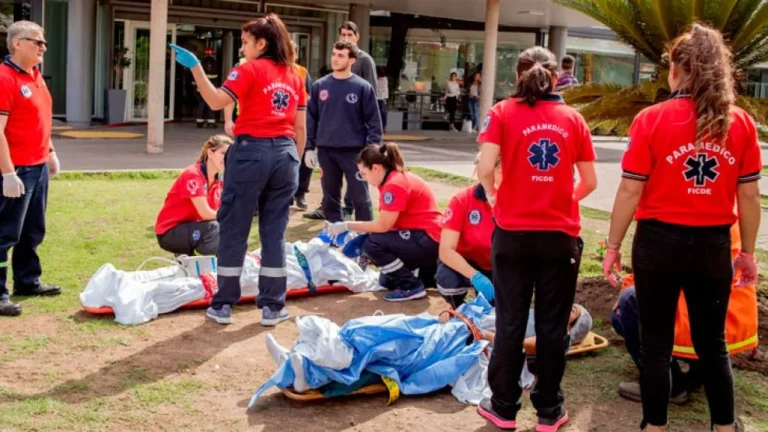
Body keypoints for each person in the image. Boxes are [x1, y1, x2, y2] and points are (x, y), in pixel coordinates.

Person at [601, 24, 761, 432]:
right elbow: (748, 198)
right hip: (713, 245)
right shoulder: (740, 123)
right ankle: (724, 427)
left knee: (655, 346)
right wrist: (747, 252)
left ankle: (655, 427)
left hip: (657, 243)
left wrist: (613, 245)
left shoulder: (651, 119)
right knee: (714, 346)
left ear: (677, 68)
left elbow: (628, 191)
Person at [476, 46, 597, 431]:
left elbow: (483, 166)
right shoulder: (573, 119)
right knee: (551, 323)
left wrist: (496, 196)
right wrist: (561, 198)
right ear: (557, 77)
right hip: (560, 238)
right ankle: (549, 410)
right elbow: (590, 182)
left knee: (510, 320)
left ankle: (504, 407)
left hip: (512, 235)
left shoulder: (502, 112)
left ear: (518, 76)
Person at [170, 13, 307, 327]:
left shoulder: (248, 69)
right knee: (274, 232)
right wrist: (295, 163)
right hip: (285, 154)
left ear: (261, 43)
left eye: (245, 42)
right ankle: (273, 306)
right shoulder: (294, 75)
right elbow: (300, 127)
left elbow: (217, 101)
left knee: (234, 229)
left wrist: (195, 68)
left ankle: (224, 304)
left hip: (250, 152)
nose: (242, 48)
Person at [325, 143, 441, 302]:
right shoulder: (393, 179)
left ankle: (411, 286)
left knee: (372, 244)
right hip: (426, 238)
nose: (363, 178)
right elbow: (388, 224)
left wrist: (347, 225)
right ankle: (428, 277)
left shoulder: (394, 185)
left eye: (363, 173)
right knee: (386, 280)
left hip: (428, 239)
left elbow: (383, 226)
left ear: (376, 168)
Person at [0, 21, 61, 318]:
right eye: (36, 42)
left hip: (37, 165)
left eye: (43, 42)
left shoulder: (36, 76)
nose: (42, 47)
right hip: (16, 169)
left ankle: (27, 280)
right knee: (5, 233)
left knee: (32, 230)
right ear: (16, 44)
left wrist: (50, 151)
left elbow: (40, 119)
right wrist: (8, 173)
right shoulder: (4, 78)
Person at [304, 41, 381, 224]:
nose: (335, 59)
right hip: (326, 150)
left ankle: (366, 238)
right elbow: (311, 118)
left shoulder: (362, 87)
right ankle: (334, 235)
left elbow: (374, 121)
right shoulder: (319, 86)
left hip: (354, 152)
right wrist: (309, 147)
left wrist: (372, 150)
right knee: (330, 198)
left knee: (360, 197)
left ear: (352, 60)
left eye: (341, 55)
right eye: (334, 54)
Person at [437, 154, 499, 308]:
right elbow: (446, 249)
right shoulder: (462, 200)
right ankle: (456, 307)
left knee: (498, 310)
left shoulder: (517, 200)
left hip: (501, 265)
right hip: (469, 263)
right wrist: (474, 276)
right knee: (448, 282)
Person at [155, 135, 231, 257]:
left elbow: (217, 212)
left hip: (191, 228)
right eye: (223, 153)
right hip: (169, 232)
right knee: (215, 229)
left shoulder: (219, 181)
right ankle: (228, 265)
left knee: (224, 228)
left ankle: (186, 258)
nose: (227, 158)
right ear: (210, 153)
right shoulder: (193, 175)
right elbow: (205, 213)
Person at [196, 47, 219, 128]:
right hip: (212, 88)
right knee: (211, 104)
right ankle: (211, 122)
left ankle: (199, 121)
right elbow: (216, 76)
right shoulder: (215, 63)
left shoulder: (200, 63)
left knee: (201, 104)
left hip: (201, 88)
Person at [376, 66, 389, 132]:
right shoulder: (375, 79)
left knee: (383, 113)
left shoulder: (384, 79)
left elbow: (385, 89)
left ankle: (384, 126)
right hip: (376, 98)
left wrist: (385, 98)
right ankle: (379, 127)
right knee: (377, 113)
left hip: (382, 98)